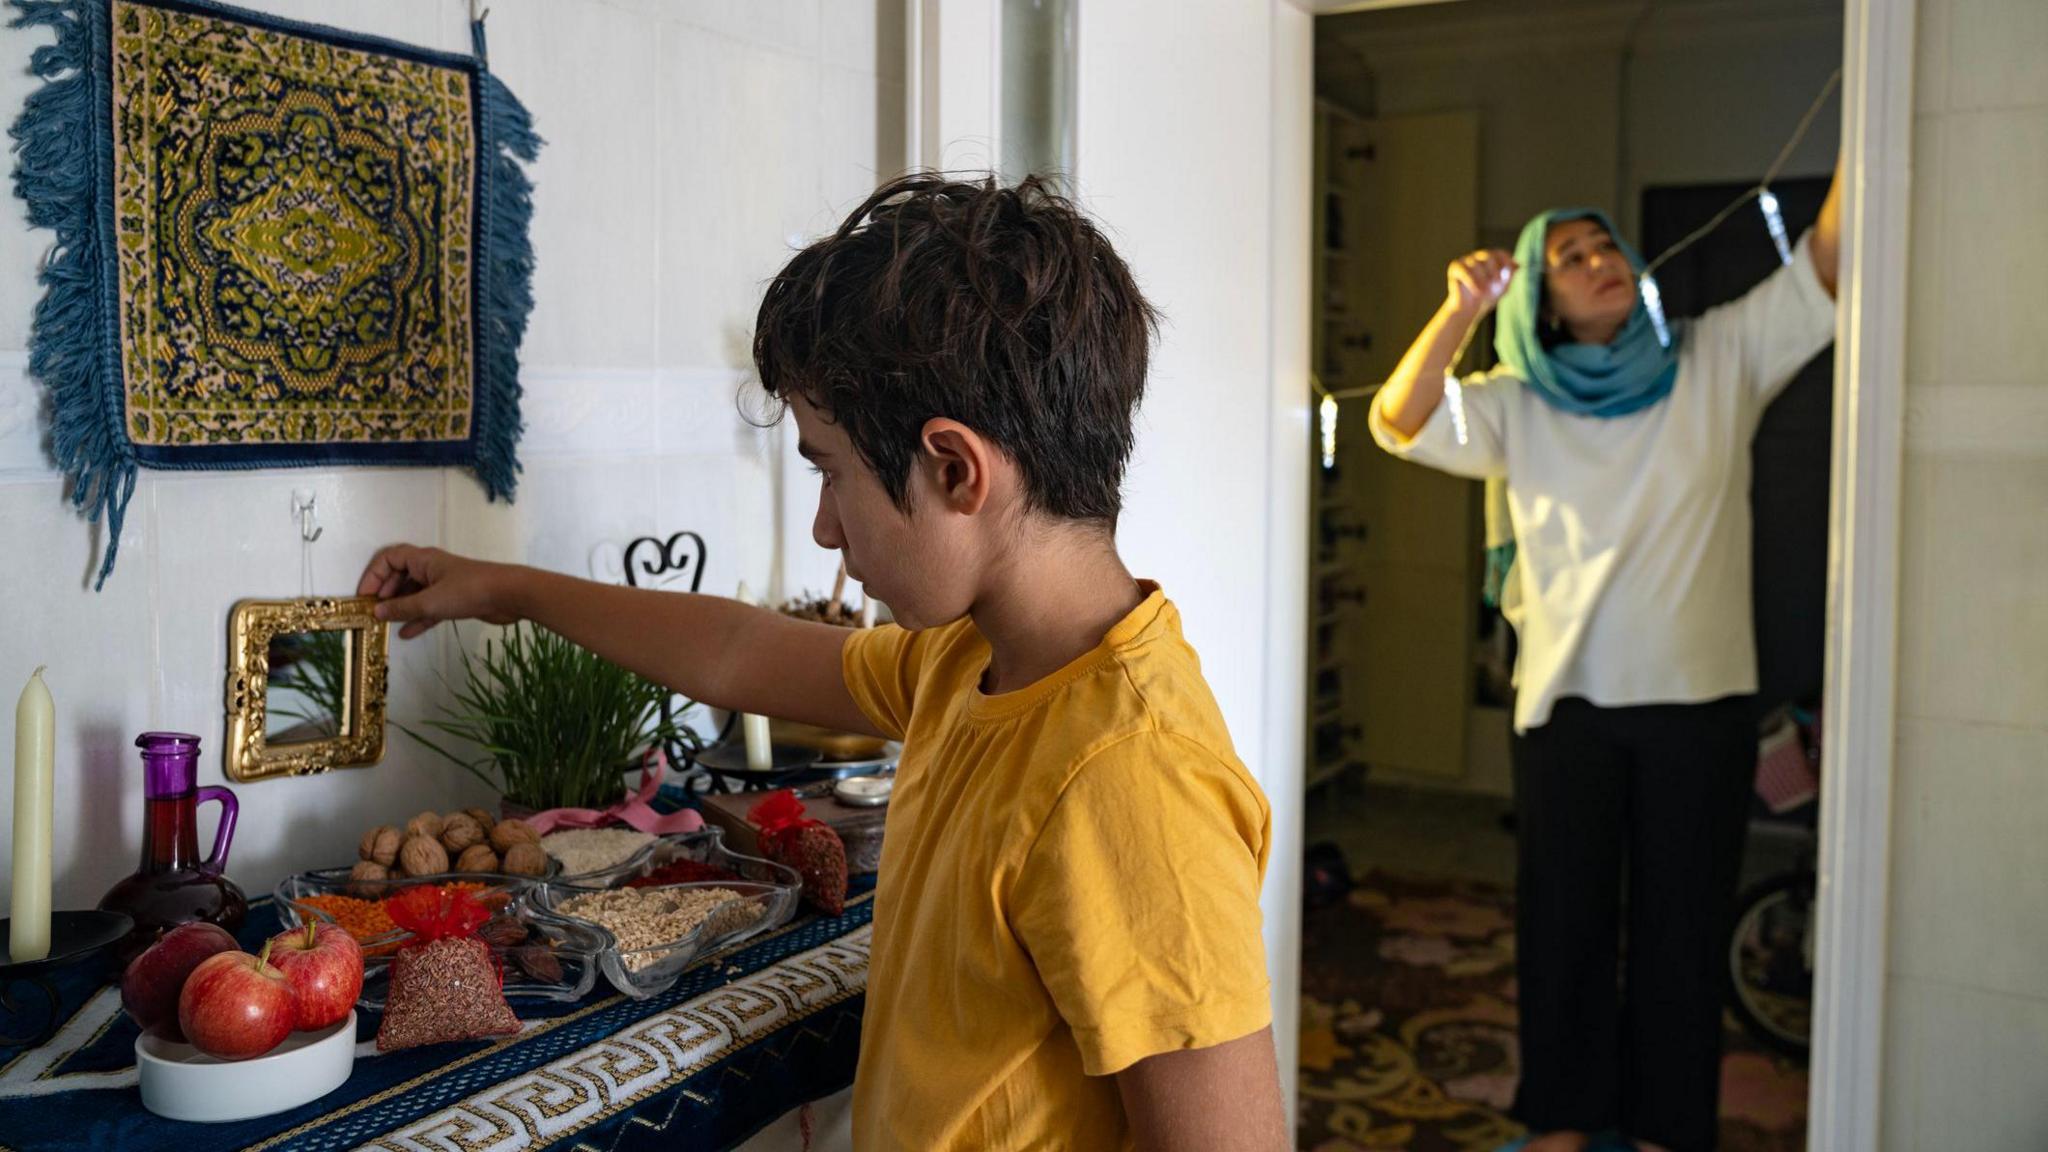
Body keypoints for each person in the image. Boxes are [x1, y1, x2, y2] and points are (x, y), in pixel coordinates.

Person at [356, 173, 1289, 1151]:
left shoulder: (1128, 779)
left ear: (953, 469)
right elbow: (739, 650)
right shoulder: (971, 659)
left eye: (831, 473)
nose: (823, 524)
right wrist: (502, 589)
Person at [1369, 169, 1842, 1152]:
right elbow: (1397, 419)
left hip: (1699, 710)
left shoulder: (1717, 357)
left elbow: (1822, 268)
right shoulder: (1514, 405)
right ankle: (1563, 1125)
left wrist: (1876, 94)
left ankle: (1669, 1129)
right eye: (1568, 259)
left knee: (1680, 936)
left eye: (1603, 244)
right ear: (1540, 307)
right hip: (1566, 712)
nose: (1597, 262)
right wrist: (1461, 308)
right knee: (1564, 935)